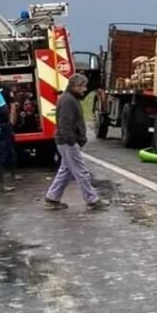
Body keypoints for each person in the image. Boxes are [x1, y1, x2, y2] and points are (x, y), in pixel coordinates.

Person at [44, 73, 109, 211]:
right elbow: (65, 123)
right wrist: (72, 142)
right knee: (81, 171)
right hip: (67, 142)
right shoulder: (68, 101)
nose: (85, 89)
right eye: (83, 86)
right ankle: (92, 200)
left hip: (65, 141)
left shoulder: (68, 99)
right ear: (76, 86)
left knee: (66, 171)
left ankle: (52, 197)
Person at [0, 82, 21, 183]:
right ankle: (7, 173)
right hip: (1, 124)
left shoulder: (3, 88)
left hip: (3, 123)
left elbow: (12, 105)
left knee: (8, 149)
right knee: (5, 150)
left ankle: (10, 173)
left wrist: (11, 121)